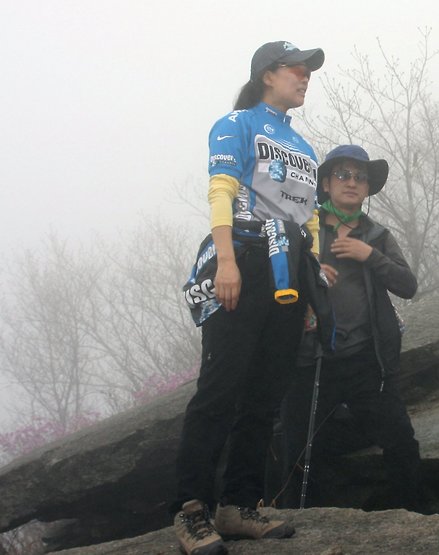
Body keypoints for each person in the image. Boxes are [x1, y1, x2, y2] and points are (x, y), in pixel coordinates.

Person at [173, 41, 331, 555]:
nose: (305, 77)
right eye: (297, 69)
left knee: (266, 394)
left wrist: (311, 287)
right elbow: (221, 189)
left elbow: (307, 219)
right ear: (267, 74)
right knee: (220, 389)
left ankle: (239, 505)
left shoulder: (305, 149)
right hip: (240, 257)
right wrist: (225, 261)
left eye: (309, 71)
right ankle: (191, 509)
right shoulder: (236, 123)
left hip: (289, 270)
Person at [273, 144, 423, 511]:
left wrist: (369, 256)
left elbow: (407, 285)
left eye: (360, 177)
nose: (352, 182)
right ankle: (301, 527)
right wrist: (310, 278)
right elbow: (279, 280)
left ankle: (418, 516)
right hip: (312, 360)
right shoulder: (303, 228)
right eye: (343, 174)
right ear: (325, 183)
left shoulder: (377, 236)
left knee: (401, 439)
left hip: (365, 361)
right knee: (294, 446)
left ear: (368, 187)